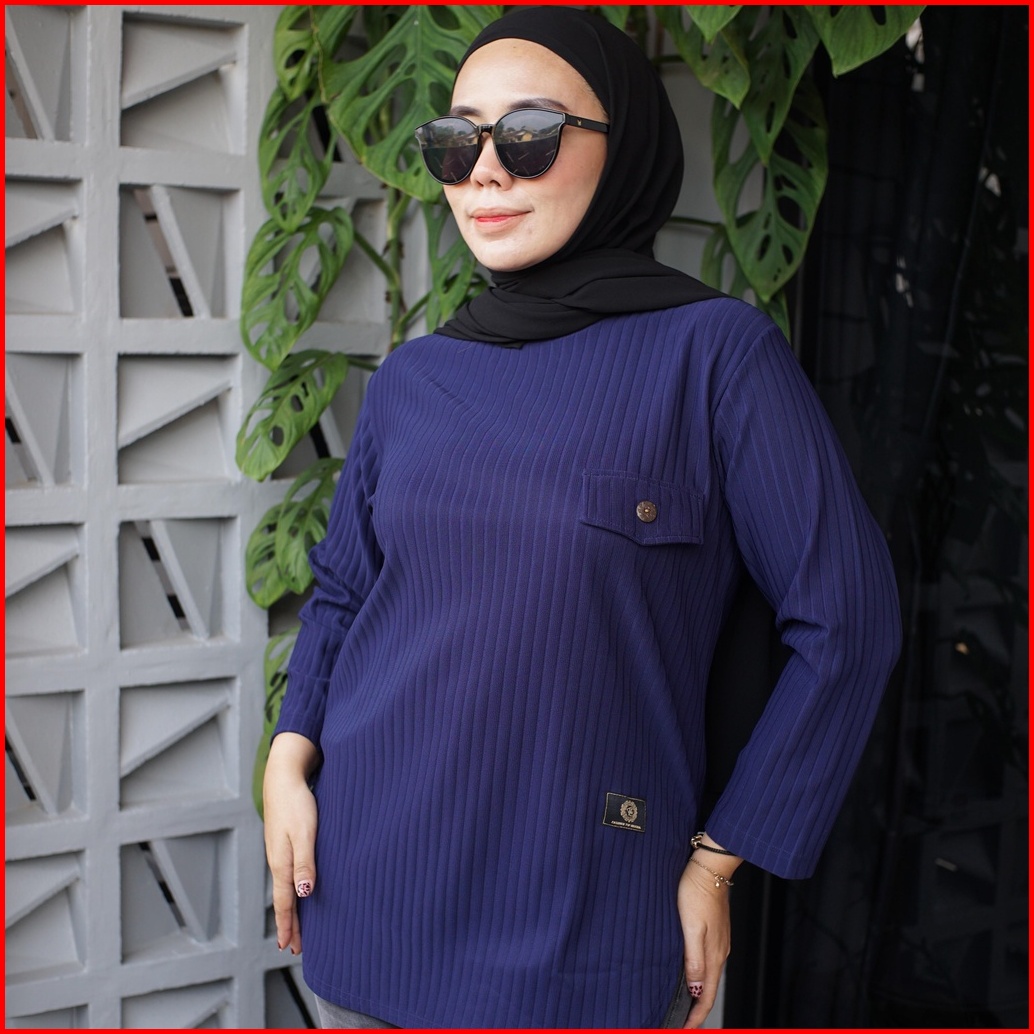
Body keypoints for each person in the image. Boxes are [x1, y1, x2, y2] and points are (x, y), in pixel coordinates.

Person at [263, 7, 902, 1029]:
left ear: (625, 144)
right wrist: (289, 755)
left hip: (586, 926)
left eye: (527, 134)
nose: (484, 171)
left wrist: (720, 858)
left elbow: (848, 622)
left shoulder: (713, 358)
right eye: (455, 140)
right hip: (368, 890)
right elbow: (345, 590)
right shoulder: (414, 379)